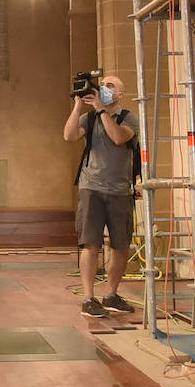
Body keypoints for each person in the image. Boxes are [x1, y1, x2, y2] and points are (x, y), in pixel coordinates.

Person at [62, 74, 139, 318]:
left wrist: (101, 109)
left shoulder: (130, 118)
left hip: (119, 190)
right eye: (102, 85)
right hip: (91, 188)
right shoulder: (90, 118)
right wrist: (77, 105)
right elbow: (69, 136)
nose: (104, 88)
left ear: (120, 95)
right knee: (90, 244)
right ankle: (88, 298)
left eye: (110, 86)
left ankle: (111, 295)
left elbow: (118, 138)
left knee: (120, 246)